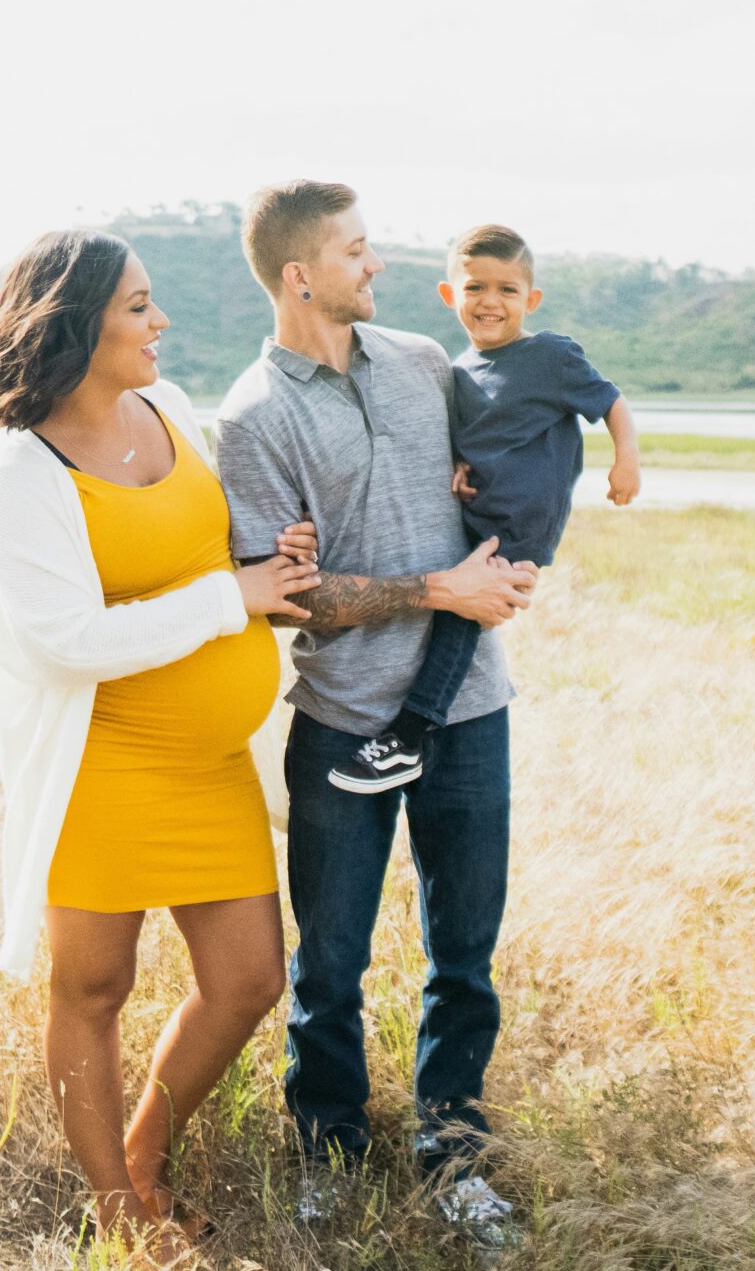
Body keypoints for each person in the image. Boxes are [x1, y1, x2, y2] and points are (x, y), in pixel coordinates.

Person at [0, 229, 320, 1255]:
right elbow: (67, 640)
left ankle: (142, 1158)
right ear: (75, 326)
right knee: (92, 988)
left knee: (249, 980)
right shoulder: (20, 469)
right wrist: (232, 597)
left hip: (209, 764)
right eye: (137, 306)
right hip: (103, 763)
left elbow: (209, 553)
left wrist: (271, 559)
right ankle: (119, 1213)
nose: (160, 320)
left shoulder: (170, 408)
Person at [212, 180, 536, 1248]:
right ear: (301, 275)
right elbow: (289, 600)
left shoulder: (426, 363)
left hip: (468, 708)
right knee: (329, 965)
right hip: (344, 719)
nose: (376, 264)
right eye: (356, 250)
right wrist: (436, 589)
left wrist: (503, 543)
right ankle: (330, 1158)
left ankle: (454, 1156)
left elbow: (492, 478)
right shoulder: (254, 417)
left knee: (464, 956)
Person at [325, 221, 639, 794]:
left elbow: (611, 401)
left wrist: (626, 461)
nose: (490, 301)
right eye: (475, 288)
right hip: (474, 515)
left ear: (531, 299)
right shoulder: (459, 372)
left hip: (518, 524)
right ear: (450, 295)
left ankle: (409, 734)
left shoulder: (551, 356)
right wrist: (459, 464)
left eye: (507, 289)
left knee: (459, 617)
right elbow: (473, 437)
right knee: (446, 600)